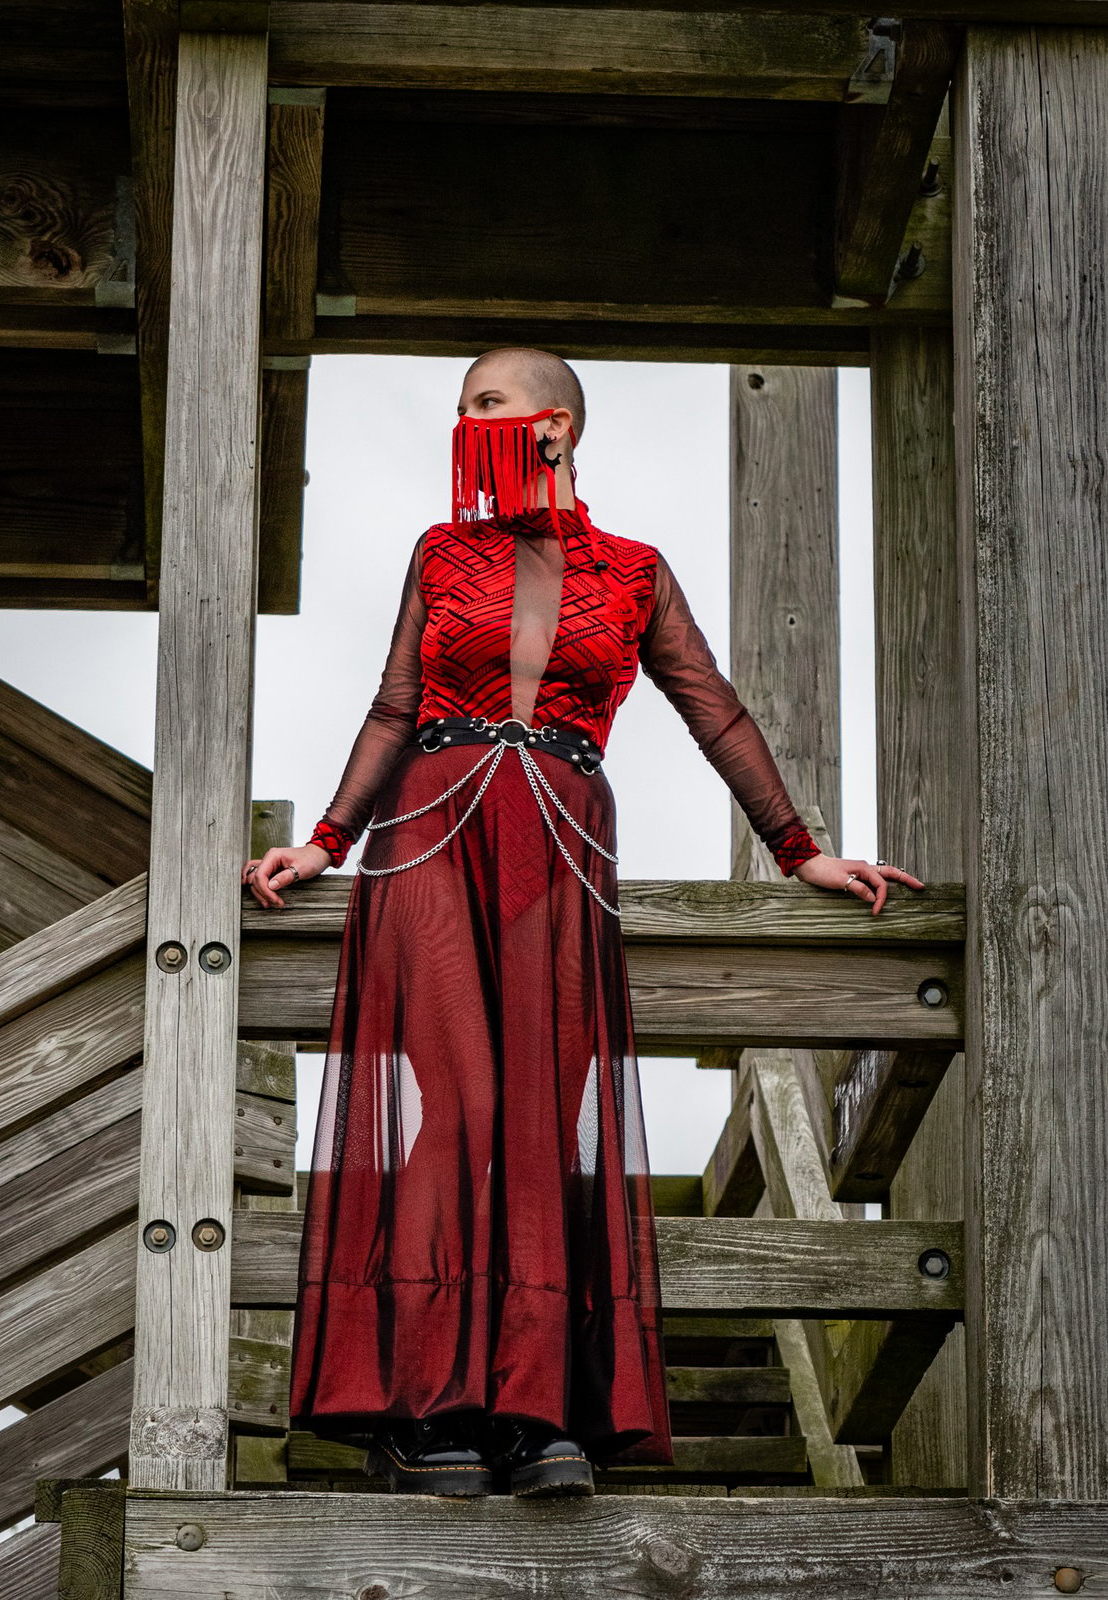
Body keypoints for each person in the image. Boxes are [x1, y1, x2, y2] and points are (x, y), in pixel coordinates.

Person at [242, 348, 925, 1499]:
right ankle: (423, 1407)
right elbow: (395, 703)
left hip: (560, 835)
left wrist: (800, 850)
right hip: (433, 823)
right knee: (457, 1103)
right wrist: (325, 840)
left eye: (486, 405)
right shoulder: (441, 551)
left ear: (552, 426)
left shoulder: (635, 570)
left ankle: (527, 1408)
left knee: (540, 1115)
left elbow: (714, 707)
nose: (465, 422)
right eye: (462, 408)